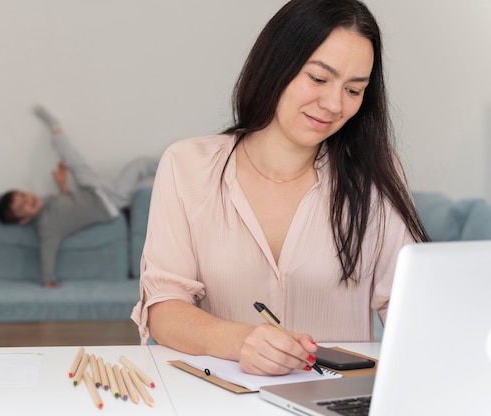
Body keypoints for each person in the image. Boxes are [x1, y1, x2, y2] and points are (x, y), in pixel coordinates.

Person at [131, 0, 428, 377]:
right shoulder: (188, 166)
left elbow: (409, 308)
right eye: (319, 79)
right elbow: (164, 309)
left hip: (337, 398)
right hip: (221, 396)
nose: (334, 104)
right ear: (276, 67)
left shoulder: (376, 175)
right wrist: (241, 341)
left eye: (354, 90)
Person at [0, 105, 158, 288]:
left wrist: (62, 185)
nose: (27, 200)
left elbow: (70, 207)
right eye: (21, 206)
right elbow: (47, 252)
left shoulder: (47, 201)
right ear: (23, 220)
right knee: (139, 165)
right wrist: (48, 280)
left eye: (23, 195)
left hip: (93, 190)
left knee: (74, 162)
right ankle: (176, 169)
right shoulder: (47, 228)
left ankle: (56, 129)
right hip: (110, 200)